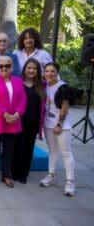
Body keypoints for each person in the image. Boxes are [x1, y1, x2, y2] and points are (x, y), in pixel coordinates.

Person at [0, 56, 26, 188]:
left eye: (7, 66)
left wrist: (16, 114)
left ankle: (6, 175)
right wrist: (5, 114)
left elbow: (23, 100)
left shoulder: (19, 81)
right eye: (1, 66)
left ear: (12, 67)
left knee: (9, 150)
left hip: (13, 122)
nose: (4, 68)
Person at [40, 62, 76, 196]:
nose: (49, 73)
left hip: (62, 126)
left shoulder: (62, 87)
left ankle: (70, 181)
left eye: (52, 71)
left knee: (66, 152)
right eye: (47, 71)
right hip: (48, 124)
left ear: (57, 72)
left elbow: (65, 106)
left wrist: (59, 124)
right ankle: (51, 175)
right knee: (52, 150)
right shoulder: (45, 86)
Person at [11, 58, 46, 184]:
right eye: (29, 68)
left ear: (38, 71)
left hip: (34, 122)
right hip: (19, 121)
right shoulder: (17, 82)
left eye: (34, 68)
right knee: (17, 147)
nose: (31, 71)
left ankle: (24, 174)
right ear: (24, 70)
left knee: (29, 149)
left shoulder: (42, 85)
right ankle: (14, 172)